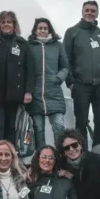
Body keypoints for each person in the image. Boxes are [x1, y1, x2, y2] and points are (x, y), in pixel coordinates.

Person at [63, 1, 100, 148]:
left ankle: (98, 151)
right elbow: (66, 59)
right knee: (81, 121)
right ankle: (82, 153)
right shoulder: (72, 32)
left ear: (97, 13)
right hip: (81, 84)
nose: (90, 13)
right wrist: (71, 82)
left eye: (93, 11)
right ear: (82, 12)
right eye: (87, 10)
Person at [0, 11, 34, 149]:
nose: (6, 24)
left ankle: (10, 160)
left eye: (9, 22)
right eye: (3, 22)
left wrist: (28, 91)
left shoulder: (22, 44)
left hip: (15, 94)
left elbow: (29, 69)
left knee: (11, 127)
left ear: (14, 25)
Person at [27, 18, 68, 148]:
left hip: (54, 93)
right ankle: (41, 157)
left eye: (45, 28)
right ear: (35, 30)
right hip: (36, 94)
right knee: (38, 129)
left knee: (59, 126)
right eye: (40, 28)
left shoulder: (58, 46)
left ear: (49, 30)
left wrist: (58, 78)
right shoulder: (29, 46)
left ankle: (60, 156)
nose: (43, 31)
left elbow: (65, 66)